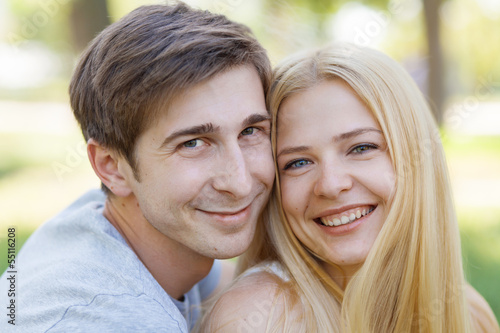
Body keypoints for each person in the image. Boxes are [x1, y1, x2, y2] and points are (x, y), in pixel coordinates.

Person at [0, 2, 275, 332]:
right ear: (111, 167)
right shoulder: (116, 320)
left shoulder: (116, 224)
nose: (240, 182)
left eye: (250, 131)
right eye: (192, 143)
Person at [198, 43, 500, 332]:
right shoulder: (259, 318)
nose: (330, 185)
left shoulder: (468, 314)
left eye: (361, 148)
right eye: (298, 163)